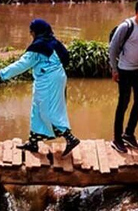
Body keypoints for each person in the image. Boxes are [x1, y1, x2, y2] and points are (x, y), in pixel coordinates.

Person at [0, 20, 80, 157]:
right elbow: (66, 58)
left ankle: (70, 138)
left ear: (36, 31)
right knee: (37, 110)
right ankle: (33, 142)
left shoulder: (39, 47)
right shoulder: (53, 42)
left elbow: (22, 64)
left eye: (31, 31)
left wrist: (2, 75)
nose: (30, 34)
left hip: (49, 80)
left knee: (49, 111)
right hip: (51, 78)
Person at [109, 0, 138, 153]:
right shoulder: (126, 27)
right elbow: (113, 48)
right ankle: (117, 138)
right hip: (125, 70)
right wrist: (114, 69)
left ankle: (129, 133)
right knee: (123, 103)